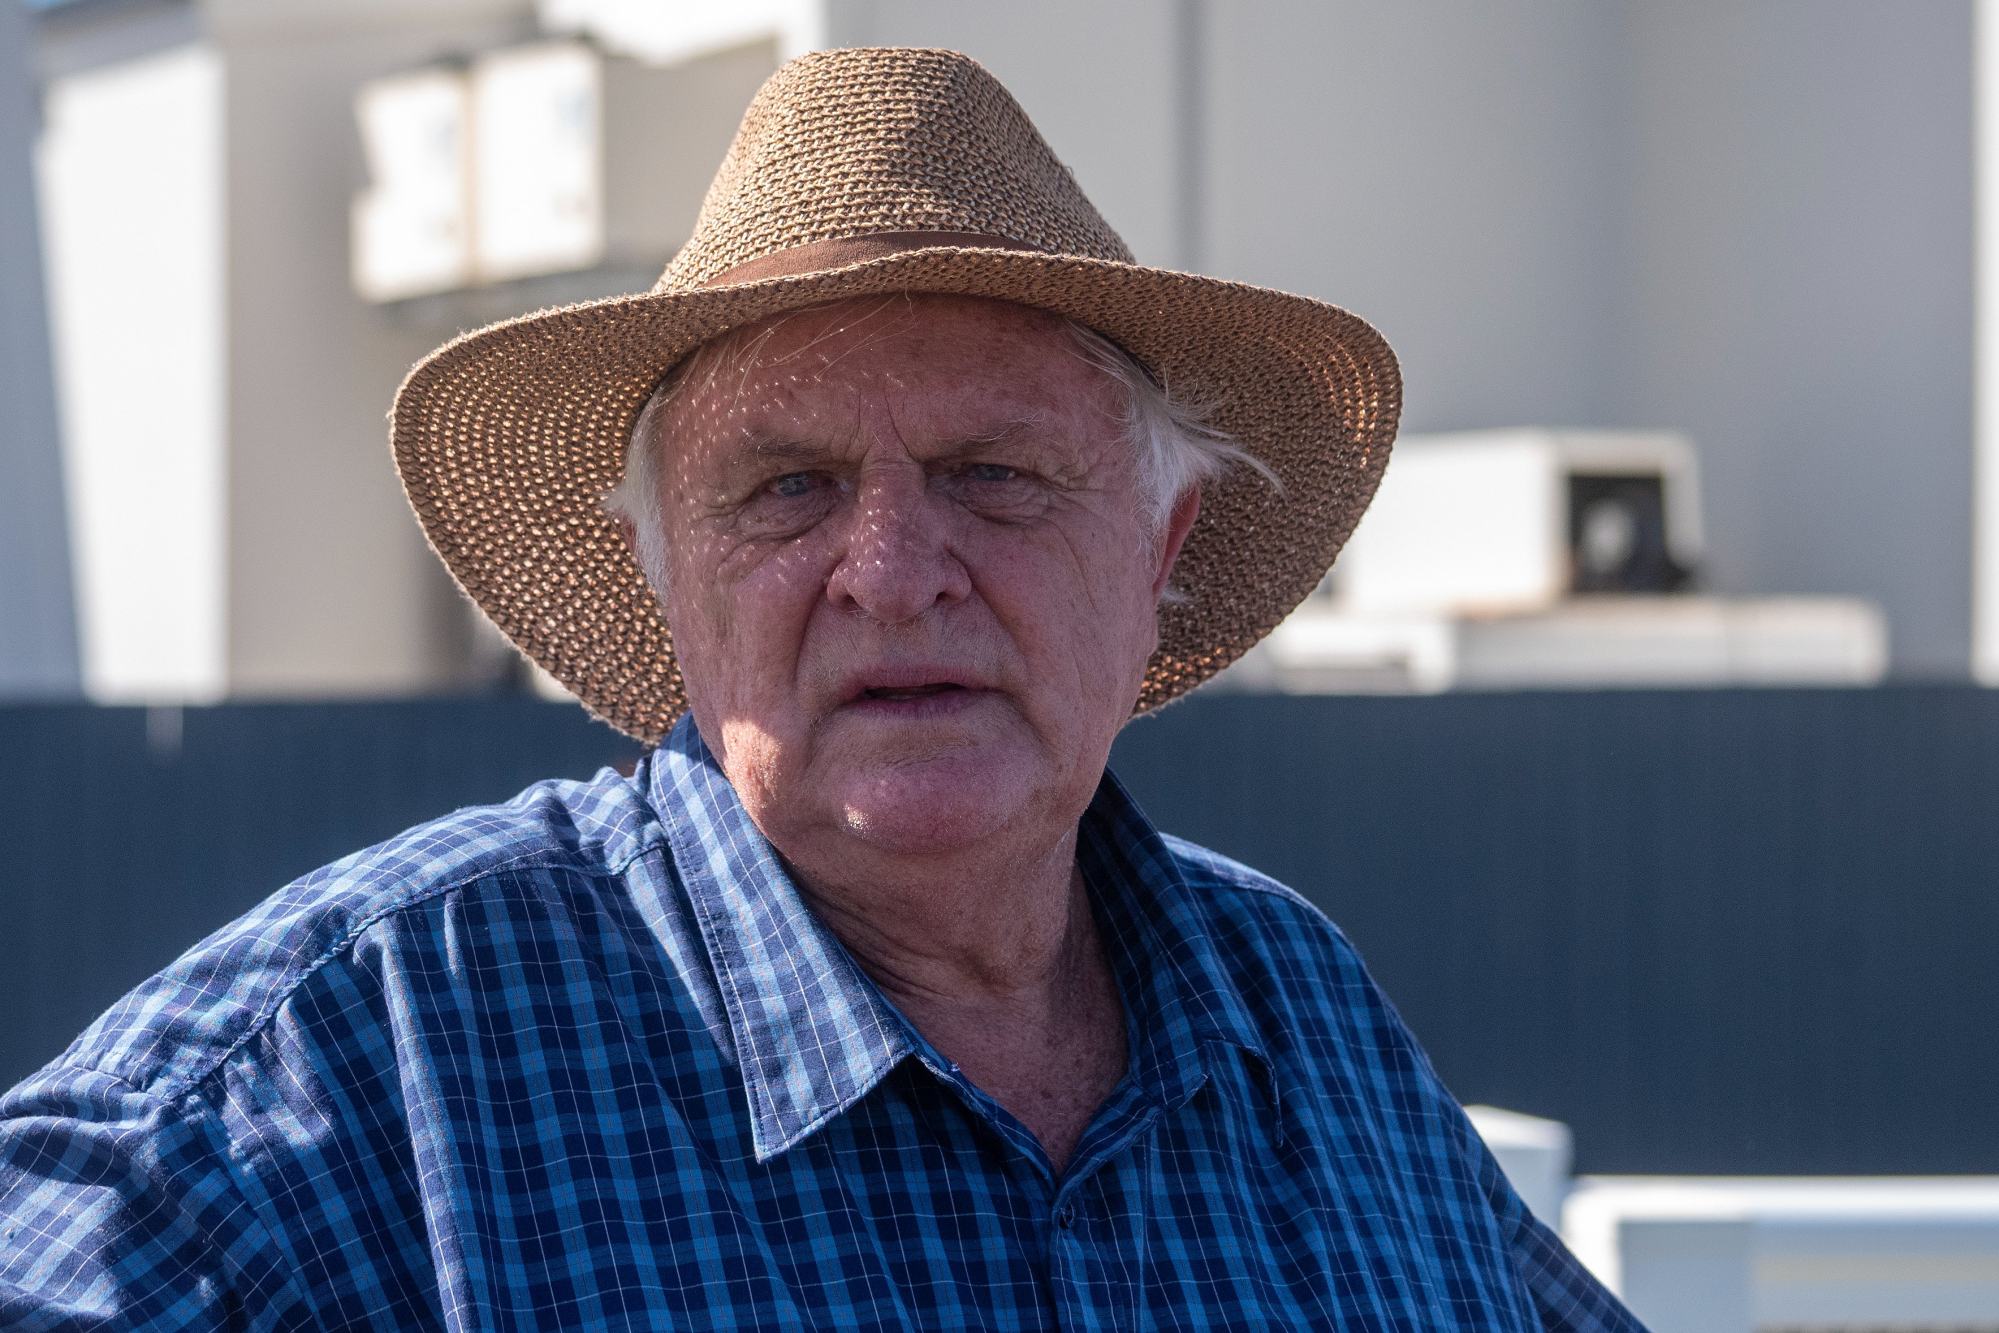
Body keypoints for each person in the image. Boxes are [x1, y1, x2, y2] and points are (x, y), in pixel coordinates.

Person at [0, 46, 1642, 1331]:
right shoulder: (390, 1034)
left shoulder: (1301, 1021)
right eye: (783, 489)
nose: (890, 565)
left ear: (1161, 553)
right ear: (667, 572)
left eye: (993, 472)